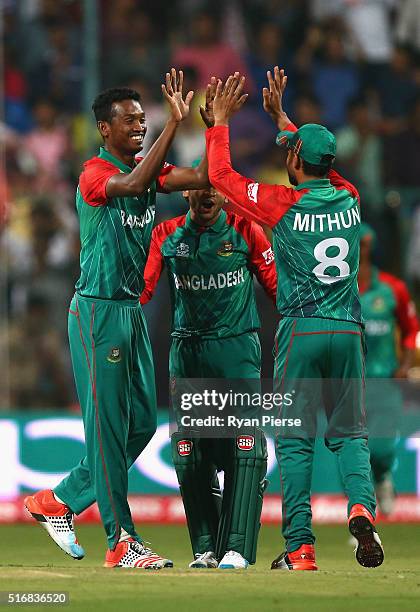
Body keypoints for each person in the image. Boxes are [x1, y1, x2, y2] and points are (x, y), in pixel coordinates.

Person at [24, 70, 213, 569]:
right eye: (130, 121)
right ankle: (121, 541)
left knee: (142, 426)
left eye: (142, 120)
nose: (139, 126)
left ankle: (57, 500)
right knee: (107, 430)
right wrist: (172, 125)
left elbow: (202, 178)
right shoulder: (94, 172)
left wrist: (216, 128)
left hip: (131, 312)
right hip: (98, 313)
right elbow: (131, 184)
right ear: (105, 129)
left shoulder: (150, 169)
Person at [205, 67, 384, 570]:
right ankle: (362, 507)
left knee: (295, 439)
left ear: (293, 159)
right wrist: (287, 124)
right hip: (347, 329)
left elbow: (221, 178)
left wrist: (219, 124)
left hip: (301, 328)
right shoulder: (349, 198)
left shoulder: (284, 204)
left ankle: (300, 547)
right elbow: (323, 166)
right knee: (350, 431)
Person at [140, 169, 277, 569]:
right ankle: (205, 548)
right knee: (188, 454)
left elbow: (276, 288)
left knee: (243, 447)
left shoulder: (245, 230)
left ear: (224, 194)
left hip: (236, 351)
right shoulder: (166, 236)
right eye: (197, 187)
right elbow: (143, 290)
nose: (205, 195)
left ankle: (237, 549)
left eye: (213, 188)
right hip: (188, 354)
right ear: (184, 194)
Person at [359, 223, 418, 515]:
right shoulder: (333, 290)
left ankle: (382, 477)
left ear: (370, 246)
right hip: (349, 385)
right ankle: (361, 518)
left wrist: (405, 364)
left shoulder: (392, 289)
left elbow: (411, 331)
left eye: (363, 245)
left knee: (380, 451)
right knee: (352, 454)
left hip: (384, 383)